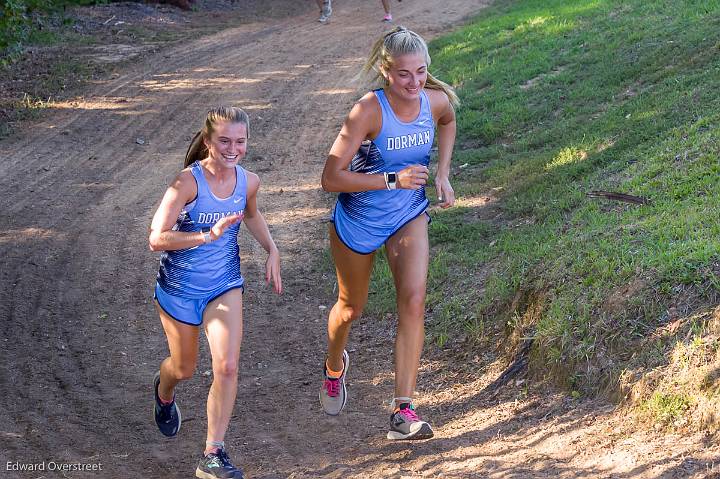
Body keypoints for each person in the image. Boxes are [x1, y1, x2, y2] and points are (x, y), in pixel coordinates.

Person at [319, 26, 458, 440]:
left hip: (407, 215)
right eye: (403, 75)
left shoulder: (435, 101)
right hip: (358, 220)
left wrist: (443, 174)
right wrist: (392, 179)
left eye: (421, 72)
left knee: (414, 301)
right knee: (350, 308)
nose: (414, 83)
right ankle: (333, 365)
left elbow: (448, 120)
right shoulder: (368, 111)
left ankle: (403, 410)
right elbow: (330, 178)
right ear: (385, 71)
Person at [149, 106, 282, 479]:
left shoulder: (248, 182)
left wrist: (272, 248)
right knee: (184, 367)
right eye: (224, 140)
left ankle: (213, 453)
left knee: (227, 366)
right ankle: (163, 390)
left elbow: (251, 214)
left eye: (240, 141)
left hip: (224, 285)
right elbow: (156, 239)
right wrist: (206, 235)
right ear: (208, 142)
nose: (232, 148)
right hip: (179, 289)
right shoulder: (186, 184)